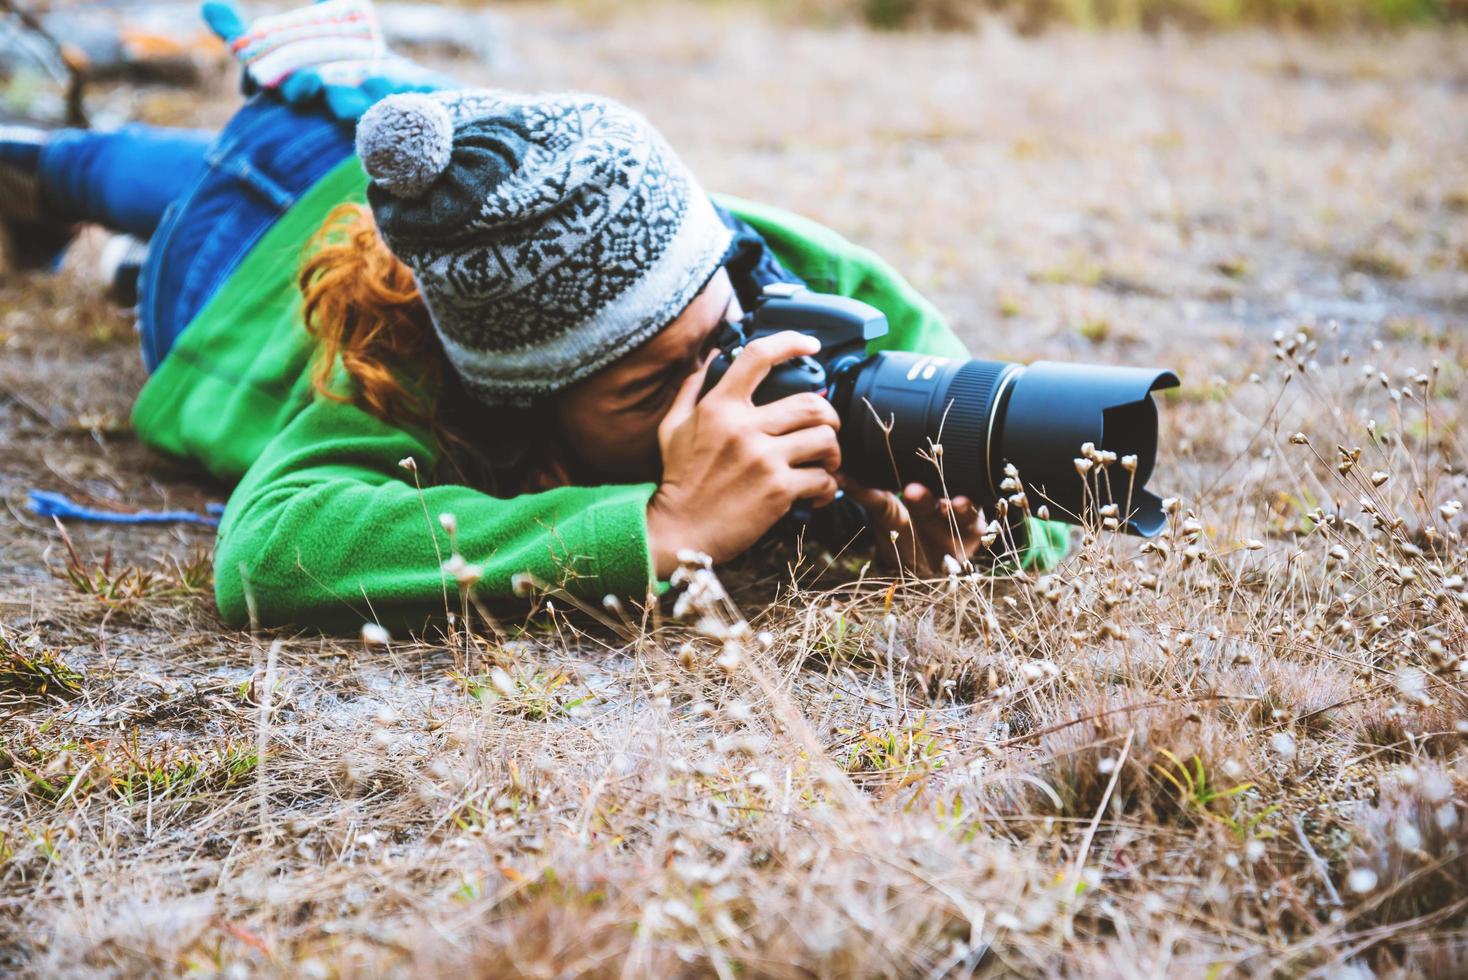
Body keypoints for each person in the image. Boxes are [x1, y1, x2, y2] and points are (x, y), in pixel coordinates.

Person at [0, 1, 1067, 633]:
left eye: (722, 330)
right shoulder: (418, 371)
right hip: (244, 274)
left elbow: (1005, 429)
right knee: (179, 187)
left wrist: (985, 524)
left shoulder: (780, 269)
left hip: (448, 178)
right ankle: (46, 166)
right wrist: (659, 525)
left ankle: (341, 93)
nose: (724, 381)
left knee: (419, 151)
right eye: (651, 385)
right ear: (521, 402)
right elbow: (265, 553)